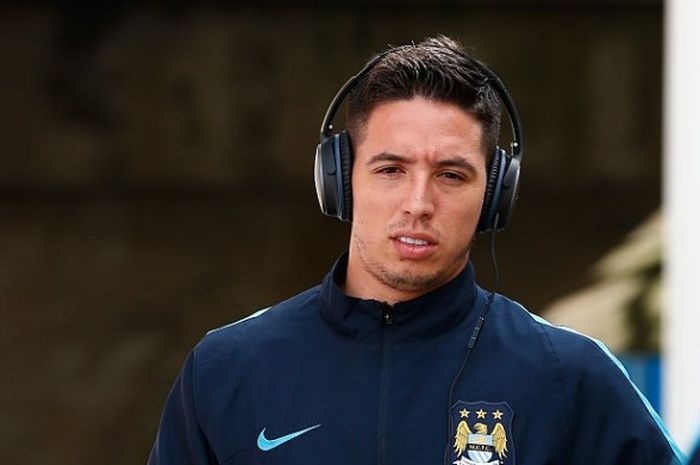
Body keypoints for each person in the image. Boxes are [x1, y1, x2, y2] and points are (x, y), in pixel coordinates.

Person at [148, 36, 685, 465]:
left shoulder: (573, 377)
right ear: (340, 181)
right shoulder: (227, 370)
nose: (419, 202)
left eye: (451, 175)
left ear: (495, 194)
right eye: (391, 169)